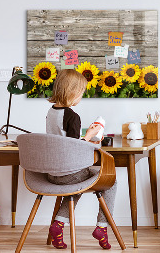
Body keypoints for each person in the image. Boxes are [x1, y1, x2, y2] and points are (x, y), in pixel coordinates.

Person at [46, 69, 116, 250]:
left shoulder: (51, 112)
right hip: (69, 173)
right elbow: (74, 147)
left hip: (52, 173)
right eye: (81, 92)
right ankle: (102, 227)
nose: (81, 96)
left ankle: (58, 225)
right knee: (111, 181)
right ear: (72, 92)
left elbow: (63, 141)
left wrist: (85, 136)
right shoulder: (72, 116)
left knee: (76, 184)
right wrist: (91, 135)